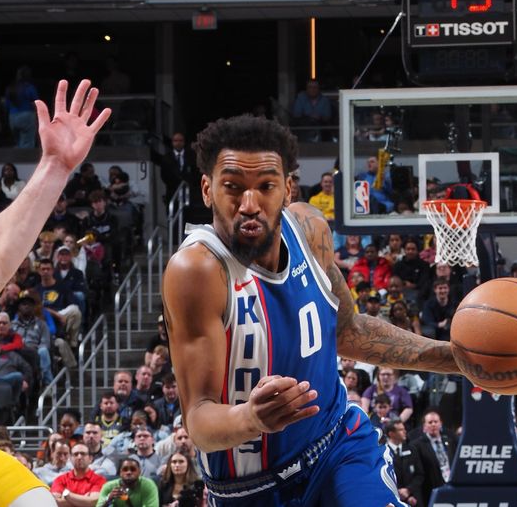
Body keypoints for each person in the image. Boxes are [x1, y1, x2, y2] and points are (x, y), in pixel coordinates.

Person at [162, 115, 462, 506]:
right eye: (233, 188)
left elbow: (348, 330)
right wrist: (250, 419)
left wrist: (458, 358)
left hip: (338, 448)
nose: (249, 204)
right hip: (253, 489)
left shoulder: (310, 230)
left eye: (265, 186)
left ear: (288, 189)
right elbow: (198, 421)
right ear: (207, 189)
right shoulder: (197, 271)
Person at [411, 409, 455, 504]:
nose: (433, 424)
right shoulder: (417, 445)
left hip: (451, 487)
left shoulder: (450, 441)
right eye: (430, 422)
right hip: (430, 491)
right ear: (424, 426)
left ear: (441, 424)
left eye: (436, 422)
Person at [50, 441, 106, 506]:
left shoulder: (99, 480)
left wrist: (66, 494)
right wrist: (84, 499)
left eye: (83, 454)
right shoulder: (60, 480)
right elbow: (55, 502)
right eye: (75, 454)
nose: (79, 457)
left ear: (90, 458)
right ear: (70, 458)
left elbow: (93, 502)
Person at [384, 419, 424, 507]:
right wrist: (400, 493)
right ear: (391, 434)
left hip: (414, 499)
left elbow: (420, 474)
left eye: (404, 429)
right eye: (401, 430)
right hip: (392, 501)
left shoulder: (412, 449)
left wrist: (408, 490)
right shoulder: (383, 453)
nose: (405, 431)